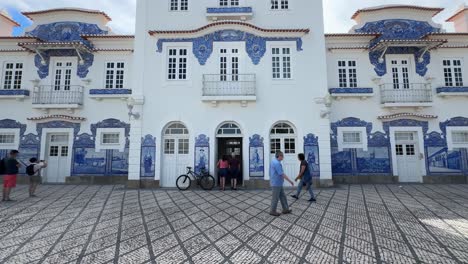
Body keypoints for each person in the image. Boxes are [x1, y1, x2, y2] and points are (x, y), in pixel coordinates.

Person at [269, 151, 294, 216]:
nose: (283, 157)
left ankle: (285, 209)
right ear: (279, 156)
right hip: (276, 183)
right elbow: (281, 174)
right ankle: (272, 211)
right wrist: (290, 181)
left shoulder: (273, 161)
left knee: (283, 196)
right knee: (275, 198)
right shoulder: (277, 163)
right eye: (282, 156)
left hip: (277, 183)